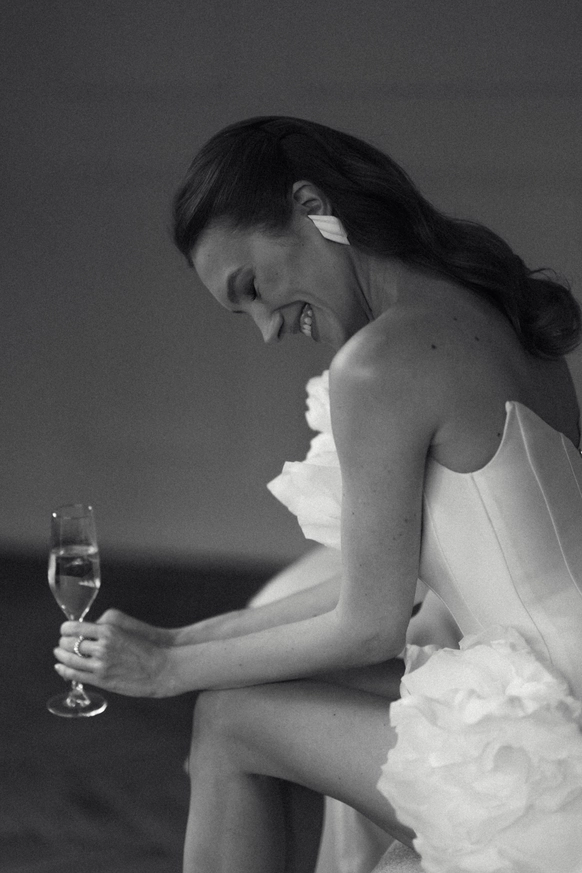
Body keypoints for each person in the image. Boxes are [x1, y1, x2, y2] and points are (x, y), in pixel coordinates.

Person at [53, 116, 582, 873]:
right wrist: (181, 640)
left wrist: (168, 673)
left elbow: (369, 626)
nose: (266, 330)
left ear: (311, 205)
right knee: (260, 694)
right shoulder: (493, 309)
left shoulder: (382, 361)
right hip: (552, 688)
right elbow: (388, 584)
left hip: (553, 741)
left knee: (230, 722)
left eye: (253, 289)